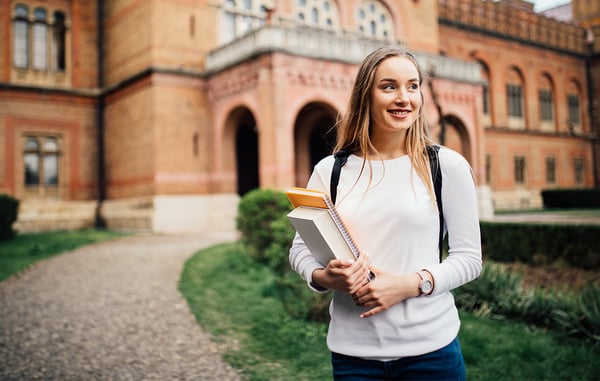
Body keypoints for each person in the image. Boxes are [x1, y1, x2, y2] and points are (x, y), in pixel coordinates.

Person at [289, 46, 482, 381]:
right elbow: (300, 249)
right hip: (354, 357)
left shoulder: (446, 166)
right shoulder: (329, 171)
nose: (404, 97)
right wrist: (323, 277)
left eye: (412, 86)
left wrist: (410, 285)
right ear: (366, 95)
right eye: (389, 86)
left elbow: (469, 258)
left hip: (431, 352)